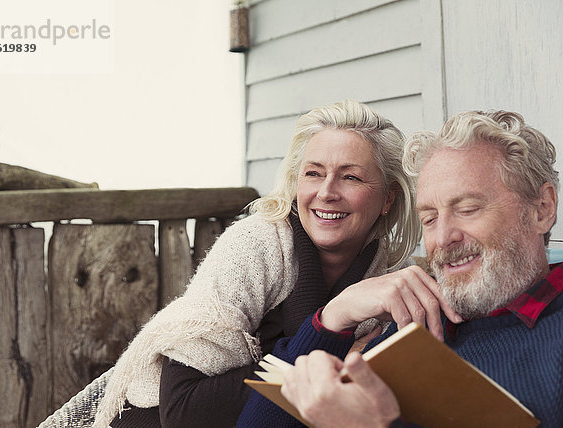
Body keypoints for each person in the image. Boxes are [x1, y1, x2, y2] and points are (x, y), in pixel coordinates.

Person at [91, 99, 425, 427]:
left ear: (388, 198)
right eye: (313, 173)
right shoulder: (253, 247)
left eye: (350, 177)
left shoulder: (391, 277)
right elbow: (185, 411)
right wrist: (337, 345)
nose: (326, 192)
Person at [238, 110, 563, 427]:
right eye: (430, 218)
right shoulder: (417, 320)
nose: (444, 237)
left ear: (542, 209)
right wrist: (335, 318)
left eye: (467, 209)